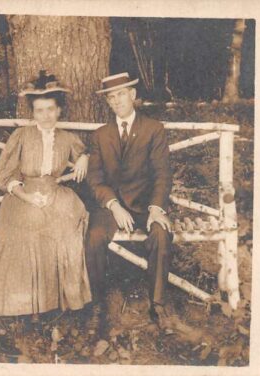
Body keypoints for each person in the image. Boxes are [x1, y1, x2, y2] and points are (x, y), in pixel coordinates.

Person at [0, 71, 92, 318]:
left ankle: (61, 300)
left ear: (59, 110)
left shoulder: (67, 138)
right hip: (22, 195)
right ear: (33, 113)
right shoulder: (21, 136)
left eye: (51, 109)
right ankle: (26, 305)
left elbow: (84, 151)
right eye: (40, 110)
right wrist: (28, 197)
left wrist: (83, 158)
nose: (46, 116)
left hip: (55, 192)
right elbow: (6, 176)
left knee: (65, 229)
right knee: (29, 227)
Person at [85, 72, 173, 335]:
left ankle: (158, 305)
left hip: (146, 205)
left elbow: (162, 173)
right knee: (94, 236)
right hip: (113, 207)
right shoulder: (101, 135)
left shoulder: (153, 129)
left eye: (121, 94)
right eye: (111, 97)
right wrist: (113, 204)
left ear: (133, 96)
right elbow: (96, 179)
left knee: (161, 232)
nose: (116, 101)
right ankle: (98, 305)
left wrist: (156, 209)